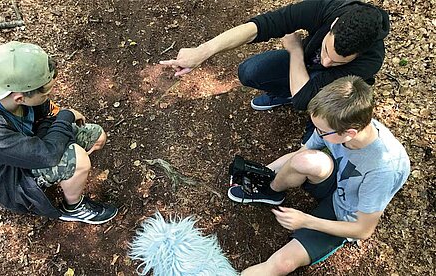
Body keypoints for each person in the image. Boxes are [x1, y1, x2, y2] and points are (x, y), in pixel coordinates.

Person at [227, 76, 410, 275]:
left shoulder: (383, 170)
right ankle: (271, 192)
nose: (317, 133)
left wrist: (305, 221)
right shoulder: (340, 121)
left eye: (322, 131)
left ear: (349, 133)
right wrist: (262, 173)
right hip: (337, 181)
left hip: (345, 215)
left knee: (282, 264)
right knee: (304, 160)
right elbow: (299, 154)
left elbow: (363, 230)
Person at [160, 0, 389, 143]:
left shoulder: (370, 60)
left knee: (319, 127)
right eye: (327, 50)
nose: (327, 61)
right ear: (333, 24)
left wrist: (296, 50)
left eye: (338, 61)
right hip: (306, 70)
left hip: (334, 93)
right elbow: (261, 25)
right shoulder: (330, 7)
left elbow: (303, 98)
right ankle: (284, 92)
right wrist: (204, 51)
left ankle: (319, 125)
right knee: (250, 71)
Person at [0, 41, 118, 224]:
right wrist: (66, 115)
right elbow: (48, 154)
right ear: (20, 98)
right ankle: (74, 207)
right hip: (13, 181)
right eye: (46, 93)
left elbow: (45, 114)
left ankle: (69, 177)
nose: (50, 96)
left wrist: (54, 121)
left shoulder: (8, 83)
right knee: (79, 160)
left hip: (29, 145)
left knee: (96, 136)